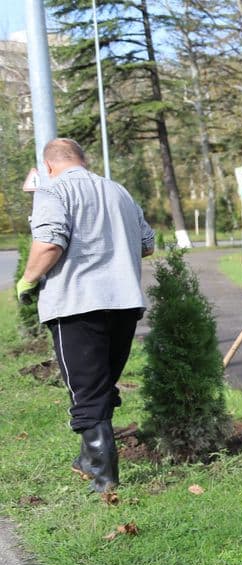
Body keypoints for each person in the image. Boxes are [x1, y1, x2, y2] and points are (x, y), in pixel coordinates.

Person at [16, 138, 155, 493]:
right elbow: (147, 243)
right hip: (124, 302)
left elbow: (50, 242)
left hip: (77, 303)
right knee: (101, 384)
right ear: (84, 160)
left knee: (86, 392)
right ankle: (88, 460)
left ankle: (104, 478)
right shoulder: (118, 191)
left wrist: (28, 280)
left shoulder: (53, 190)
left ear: (48, 166)